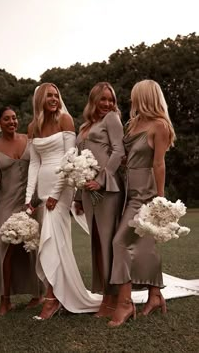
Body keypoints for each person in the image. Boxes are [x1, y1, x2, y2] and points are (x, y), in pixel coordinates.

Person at [25, 83, 102, 320]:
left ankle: (52, 298)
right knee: (53, 242)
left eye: (56, 94)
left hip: (61, 187)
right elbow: (34, 164)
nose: (54, 98)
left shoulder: (65, 120)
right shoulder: (32, 127)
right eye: (49, 95)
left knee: (53, 238)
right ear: (39, 99)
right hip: (42, 189)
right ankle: (57, 294)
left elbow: (70, 159)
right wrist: (29, 198)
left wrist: (56, 194)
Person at [108, 79, 176, 327]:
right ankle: (155, 295)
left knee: (120, 242)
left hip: (146, 192)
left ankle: (125, 303)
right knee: (146, 245)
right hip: (128, 189)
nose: (131, 100)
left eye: (135, 96)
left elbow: (159, 163)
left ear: (145, 97)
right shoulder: (134, 123)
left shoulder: (160, 126)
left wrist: (159, 199)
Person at [0, 106, 41, 317]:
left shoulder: (29, 139)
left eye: (14, 118)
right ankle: (5, 301)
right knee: (4, 248)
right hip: (6, 202)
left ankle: (37, 294)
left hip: (30, 202)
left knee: (32, 246)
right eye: (7, 119)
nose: (12, 122)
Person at [74, 82, 126, 318]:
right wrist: (77, 195)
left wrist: (101, 180)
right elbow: (78, 163)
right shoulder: (85, 126)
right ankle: (105, 295)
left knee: (107, 243)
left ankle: (112, 300)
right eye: (103, 99)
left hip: (107, 190)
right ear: (93, 100)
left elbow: (118, 152)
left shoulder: (112, 119)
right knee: (96, 244)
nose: (107, 104)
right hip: (87, 192)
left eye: (111, 99)